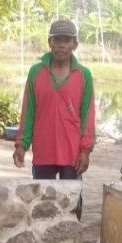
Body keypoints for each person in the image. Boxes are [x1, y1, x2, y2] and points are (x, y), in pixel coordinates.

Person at [13, 19, 96, 182]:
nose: (61, 45)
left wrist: (85, 150)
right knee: (43, 197)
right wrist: (21, 144)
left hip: (72, 154)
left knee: (71, 198)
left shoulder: (83, 75)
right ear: (50, 42)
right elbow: (28, 112)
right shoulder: (36, 72)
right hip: (43, 152)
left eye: (67, 40)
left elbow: (88, 116)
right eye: (57, 40)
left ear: (75, 44)